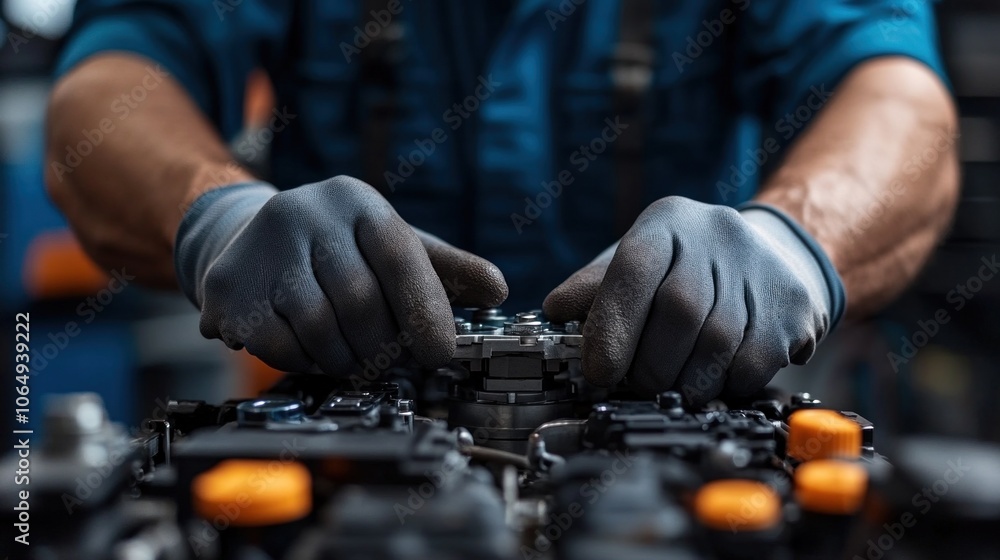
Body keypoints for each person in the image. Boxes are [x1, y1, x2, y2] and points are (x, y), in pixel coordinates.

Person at [45, 1, 958, 404]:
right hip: (358, 434)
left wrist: (792, 242)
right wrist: (220, 214)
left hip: (680, 431)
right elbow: (107, 87)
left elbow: (899, 103)